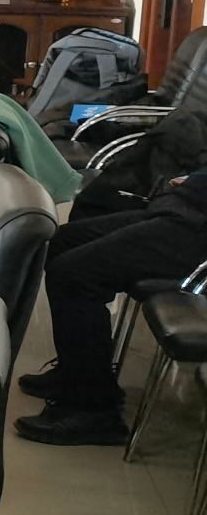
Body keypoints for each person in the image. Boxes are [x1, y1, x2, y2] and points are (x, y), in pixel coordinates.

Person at [15, 172, 207, 445]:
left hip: (196, 232)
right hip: (184, 209)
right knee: (62, 241)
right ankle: (78, 373)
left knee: (73, 276)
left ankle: (93, 410)